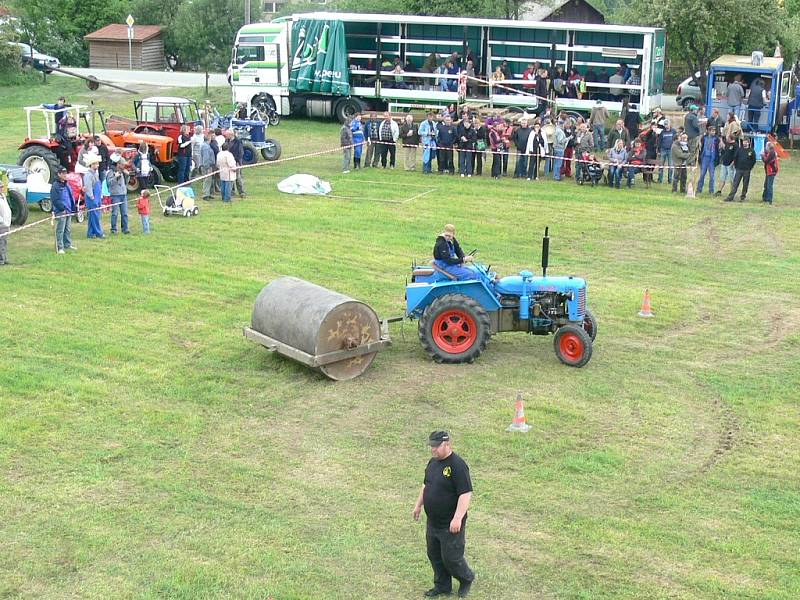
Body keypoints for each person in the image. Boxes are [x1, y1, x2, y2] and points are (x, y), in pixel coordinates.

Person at [413, 430, 474, 598]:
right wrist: (418, 505)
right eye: (431, 446)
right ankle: (442, 585)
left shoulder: (458, 465)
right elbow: (426, 486)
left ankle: (466, 578)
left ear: (447, 444)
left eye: (436, 446)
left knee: (451, 558)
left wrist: (457, 518)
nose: (433, 449)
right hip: (433, 522)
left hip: (450, 524)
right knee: (434, 555)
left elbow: (465, 493)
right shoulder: (432, 463)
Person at [50, 167, 77, 254]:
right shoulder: (55, 186)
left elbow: (70, 196)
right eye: (63, 173)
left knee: (67, 229)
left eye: (66, 173)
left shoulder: (67, 184)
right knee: (60, 230)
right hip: (61, 211)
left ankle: (67, 244)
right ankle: (60, 247)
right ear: (59, 174)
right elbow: (55, 200)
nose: (65, 175)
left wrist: (73, 208)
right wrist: (62, 209)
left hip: (68, 210)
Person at [724, 137, 756, 202]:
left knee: (745, 184)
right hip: (739, 169)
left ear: (748, 143)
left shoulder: (751, 151)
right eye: (744, 142)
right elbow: (735, 158)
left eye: (746, 142)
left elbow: (753, 160)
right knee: (735, 184)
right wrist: (736, 166)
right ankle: (730, 197)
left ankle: (743, 197)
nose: (745, 143)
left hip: (747, 170)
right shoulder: (739, 150)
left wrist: (750, 167)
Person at [82, 154, 104, 239]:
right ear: (91, 165)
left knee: (93, 216)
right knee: (95, 217)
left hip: (97, 198)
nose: (97, 165)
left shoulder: (95, 174)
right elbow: (88, 187)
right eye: (95, 164)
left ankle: (90, 234)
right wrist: (92, 197)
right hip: (92, 199)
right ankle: (99, 233)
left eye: (97, 164)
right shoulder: (88, 175)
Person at [106, 158, 130, 234]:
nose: (124, 166)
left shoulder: (123, 171)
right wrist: (115, 177)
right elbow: (109, 183)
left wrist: (127, 176)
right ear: (118, 164)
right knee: (115, 213)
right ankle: (113, 229)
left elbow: (126, 183)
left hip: (123, 194)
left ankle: (125, 229)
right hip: (115, 195)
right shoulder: (111, 172)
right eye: (122, 165)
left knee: (125, 213)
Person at [696, 126, 720, 194]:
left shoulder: (716, 139)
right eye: (712, 131)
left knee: (712, 176)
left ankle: (711, 190)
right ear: (708, 131)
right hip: (704, 158)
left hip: (712, 159)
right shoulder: (704, 138)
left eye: (714, 131)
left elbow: (719, 147)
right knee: (702, 174)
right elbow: (700, 145)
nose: (713, 132)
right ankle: (699, 189)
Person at [227, 130, 247, 197]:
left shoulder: (238, 142)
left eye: (227, 134)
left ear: (231, 135)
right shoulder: (226, 141)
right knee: (230, 177)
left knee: (238, 178)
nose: (226, 136)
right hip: (229, 162)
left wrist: (237, 162)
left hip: (236, 162)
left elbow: (240, 153)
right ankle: (232, 191)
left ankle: (241, 192)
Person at [656, 119, 676, 184]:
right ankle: (660, 179)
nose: (666, 125)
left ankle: (670, 180)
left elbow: (676, 140)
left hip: (671, 151)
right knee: (661, 166)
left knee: (670, 166)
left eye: (667, 124)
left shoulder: (673, 131)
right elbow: (659, 141)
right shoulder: (662, 132)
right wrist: (658, 150)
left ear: (670, 124)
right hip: (663, 150)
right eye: (665, 124)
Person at [199, 133, 216, 200]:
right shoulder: (206, 147)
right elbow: (206, 158)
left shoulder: (205, 145)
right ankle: (205, 195)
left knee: (209, 180)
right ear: (209, 138)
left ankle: (208, 193)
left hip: (206, 165)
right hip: (207, 166)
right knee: (207, 180)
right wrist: (207, 167)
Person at [0, 178, 10, 266]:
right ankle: (1, 260)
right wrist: (2, 221)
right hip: (1, 225)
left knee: (4, 242)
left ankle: (4, 257)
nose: (2, 188)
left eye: (2, 187)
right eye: (0, 187)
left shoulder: (3, 196)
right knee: (1, 242)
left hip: (6, 224)